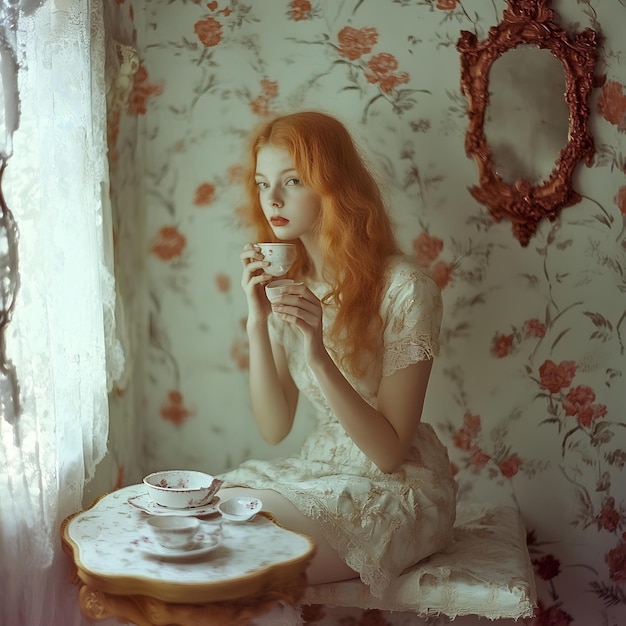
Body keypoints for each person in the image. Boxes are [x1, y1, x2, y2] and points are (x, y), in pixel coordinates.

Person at [217, 110, 457, 598]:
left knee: (239, 547)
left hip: (396, 488)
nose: (273, 200)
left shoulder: (406, 288)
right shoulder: (293, 288)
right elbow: (274, 426)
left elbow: (390, 452)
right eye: (264, 184)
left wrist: (318, 352)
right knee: (201, 513)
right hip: (318, 471)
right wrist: (257, 321)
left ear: (332, 186)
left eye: (292, 181)